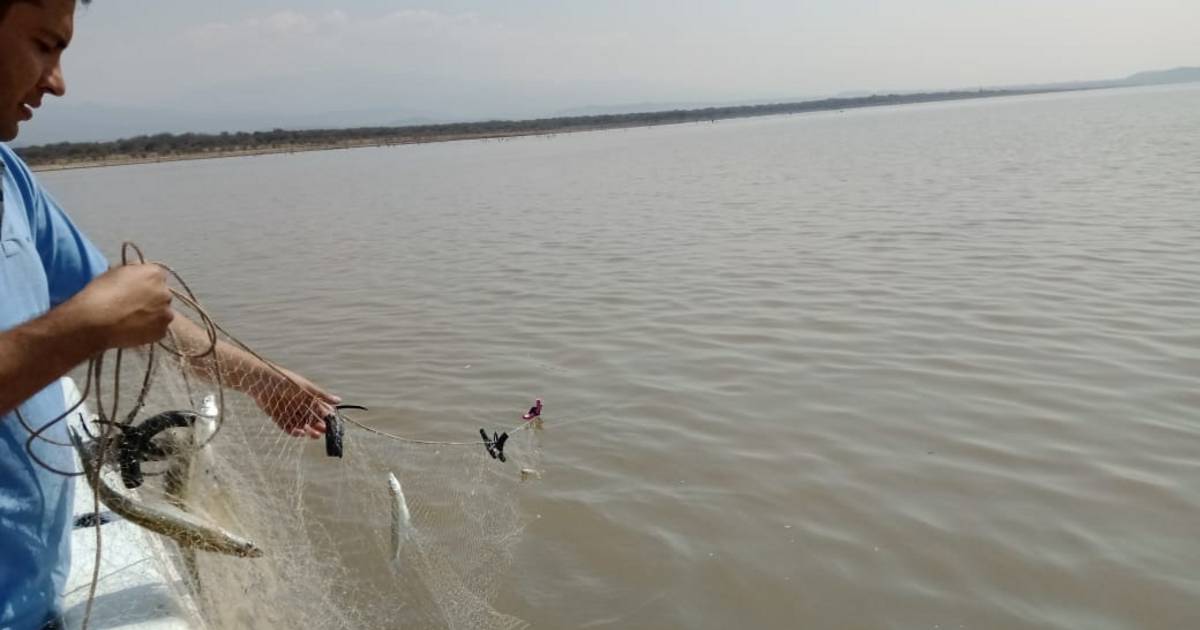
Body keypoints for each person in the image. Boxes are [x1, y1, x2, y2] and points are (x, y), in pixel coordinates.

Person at [0, 1, 340, 627]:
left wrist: (265, 380)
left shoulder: (8, 177)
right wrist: (86, 325)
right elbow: (100, 315)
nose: (57, 81)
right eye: (46, 45)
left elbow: (146, 319)